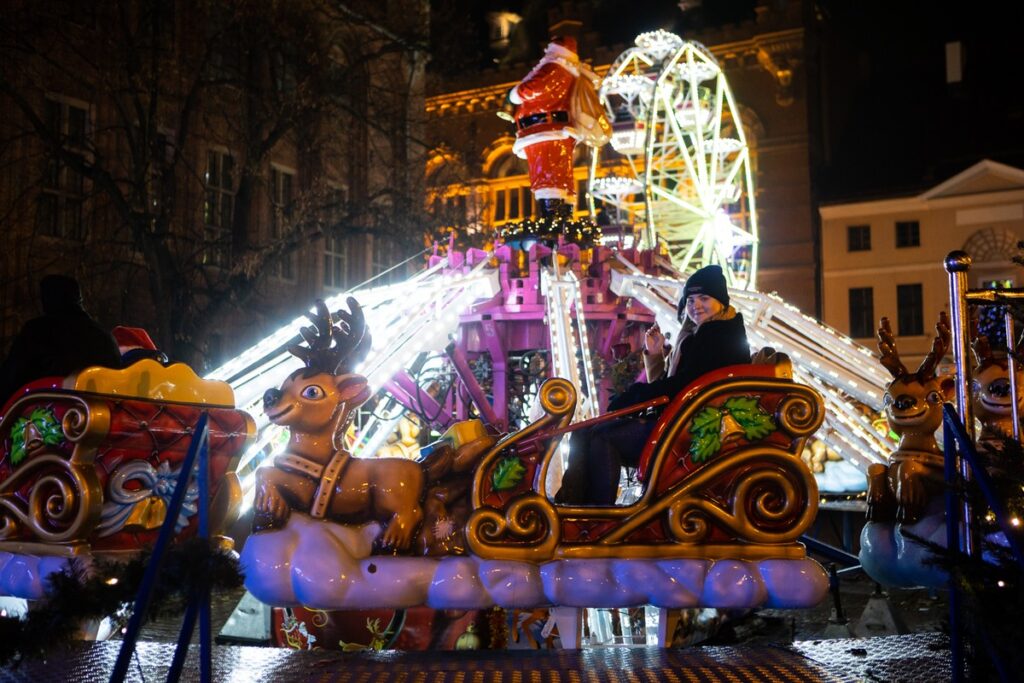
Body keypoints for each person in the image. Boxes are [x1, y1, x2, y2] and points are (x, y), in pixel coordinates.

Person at [555, 264, 751, 505]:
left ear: (721, 300)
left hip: (690, 427)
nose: (695, 305)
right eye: (690, 300)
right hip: (680, 419)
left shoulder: (717, 335)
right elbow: (676, 383)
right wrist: (655, 355)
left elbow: (682, 385)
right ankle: (576, 504)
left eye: (704, 298)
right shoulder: (703, 332)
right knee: (584, 430)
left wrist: (635, 395)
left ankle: (597, 510)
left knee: (602, 436)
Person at [509, 35, 601, 219]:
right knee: (558, 180)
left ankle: (552, 227)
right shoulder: (568, 70)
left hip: (544, 131)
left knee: (547, 179)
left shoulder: (554, 68)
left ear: (554, 51)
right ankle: (562, 224)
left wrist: (515, 93)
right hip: (554, 131)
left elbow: (534, 87)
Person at [0, 275, 121, 406]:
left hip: (45, 415)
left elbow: (11, 377)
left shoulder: (37, 331)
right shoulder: (104, 336)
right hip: (99, 415)